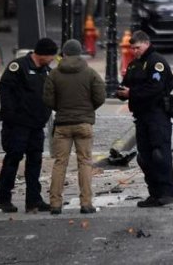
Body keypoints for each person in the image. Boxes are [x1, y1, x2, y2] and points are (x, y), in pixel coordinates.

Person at [42, 39, 106, 215]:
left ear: (64, 53)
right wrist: (88, 109)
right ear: (80, 53)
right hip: (84, 124)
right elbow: (100, 95)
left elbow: (47, 99)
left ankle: (55, 203)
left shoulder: (54, 74)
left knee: (59, 163)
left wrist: (60, 108)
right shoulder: (90, 73)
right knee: (84, 162)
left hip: (62, 124)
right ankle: (86, 203)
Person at [0, 37, 58, 214]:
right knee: (13, 159)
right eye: (51, 55)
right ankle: (3, 198)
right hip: (17, 125)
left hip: (36, 125)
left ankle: (33, 200)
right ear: (42, 54)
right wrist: (13, 115)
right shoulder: (18, 67)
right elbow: (4, 90)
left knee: (35, 162)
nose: (53, 59)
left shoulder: (46, 71)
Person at [116, 31, 173, 207]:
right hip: (141, 115)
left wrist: (132, 93)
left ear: (146, 44)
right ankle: (154, 193)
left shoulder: (156, 62)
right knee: (144, 157)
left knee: (160, 154)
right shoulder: (135, 65)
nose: (135, 51)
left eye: (137, 48)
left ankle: (167, 192)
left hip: (157, 114)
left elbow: (155, 88)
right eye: (132, 48)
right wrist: (122, 92)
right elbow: (127, 84)